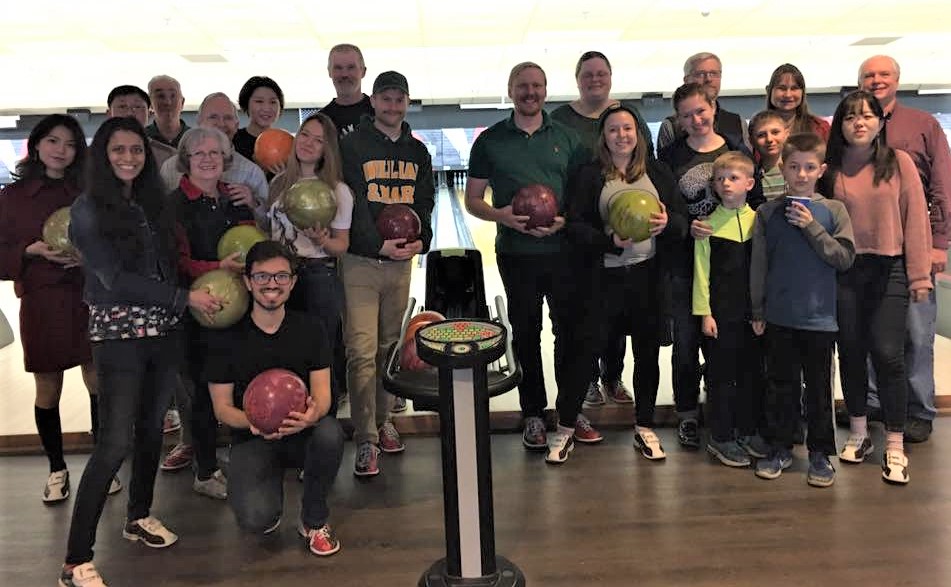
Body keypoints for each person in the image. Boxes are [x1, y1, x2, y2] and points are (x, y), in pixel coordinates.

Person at [60, 116, 221, 587]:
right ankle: (74, 560)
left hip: (163, 329)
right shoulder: (88, 208)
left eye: (136, 151)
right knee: (114, 443)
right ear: (103, 156)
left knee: (152, 429)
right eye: (118, 150)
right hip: (118, 334)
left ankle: (138, 516)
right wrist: (182, 298)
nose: (129, 158)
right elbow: (113, 279)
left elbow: (166, 264)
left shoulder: (151, 204)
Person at [465, 62, 594, 465]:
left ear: (545, 90)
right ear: (510, 90)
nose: (530, 92)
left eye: (537, 85)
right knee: (525, 334)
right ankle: (534, 414)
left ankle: (570, 412)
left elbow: (582, 197)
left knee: (568, 334)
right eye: (522, 86)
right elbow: (472, 200)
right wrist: (501, 216)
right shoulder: (490, 141)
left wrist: (565, 220)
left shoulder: (569, 139)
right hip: (516, 254)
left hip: (563, 253)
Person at [0, 114, 119, 502]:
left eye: (69, 144)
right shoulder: (12, 198)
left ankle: (102, 466)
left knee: (97, 382)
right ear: (36, 145)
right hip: (41, 299)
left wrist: (89, 260)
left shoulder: (88, 192)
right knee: (47, 388)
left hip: (86, 296)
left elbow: (113, 244)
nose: (61, 150)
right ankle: (56, 467)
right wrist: (28, 251)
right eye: (53, 141)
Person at [564, 103, 688, 460]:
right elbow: (574, 226)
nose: (622, 135)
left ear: (639, 134)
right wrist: (608, 243)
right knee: (585, 351)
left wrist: (668, 226)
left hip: (647, 277)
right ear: (603, 136)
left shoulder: (658, 173)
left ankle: (644, 426)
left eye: (628, 128)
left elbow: (679, 221)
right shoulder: (590, 175)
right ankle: (566, 427)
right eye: (614, 129)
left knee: (646, 354)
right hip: (603, 278)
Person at [207, 240, 344, 556]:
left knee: (329, 432)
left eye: (281, 276)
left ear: (293, 282)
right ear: (247, 281)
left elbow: (322, 395)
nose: (272, 284)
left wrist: (311, 416)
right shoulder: (226, 337)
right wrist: (253, 424)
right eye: (262, 276)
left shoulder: (311, 328)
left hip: (302, 432)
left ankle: (313, 518)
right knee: (258, 520)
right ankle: (266, 492)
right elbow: (222, 408)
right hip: (252, 437)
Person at [822, 90, 932, 485]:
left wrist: (920, 277)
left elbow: (916, 220)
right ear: (841, 124)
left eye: (867, 115)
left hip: (890, 269)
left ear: (880, 121)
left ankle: (896, 444)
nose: (859, 123)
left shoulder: (898, 163)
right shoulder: (829, 170)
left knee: (888, 354)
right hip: (846, 270)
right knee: (850, 352)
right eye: (850, 117)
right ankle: (859, 432)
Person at [339, 71, 435, 476]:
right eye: (386, 99)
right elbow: (351, 202)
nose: (393, 106)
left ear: (407, 103)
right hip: (361, 262)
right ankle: (366, 438)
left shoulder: (419, 151)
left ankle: (384, 421)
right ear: (373, 101)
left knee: (388, 347)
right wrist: (373, 244)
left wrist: (422, 239)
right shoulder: (351, 145)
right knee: (361, 351)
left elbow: (426, 202)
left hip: (400, 264)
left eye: (400, 99)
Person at [550, 50, 654, 408]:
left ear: (610, 76)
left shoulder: (627, 113)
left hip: (622, 222)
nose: (595, 79)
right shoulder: (561, 118)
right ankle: (589, 381)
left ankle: (613, 376)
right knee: (589, 314)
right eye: (588, 74)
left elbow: (645, 165)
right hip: (580, 227)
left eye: (601, 73)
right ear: (577, 78)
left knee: (619, 316)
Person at [750, 133, 855, 486]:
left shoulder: (834, 210)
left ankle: (821, 453)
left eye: (810, 168)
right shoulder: (767, 213)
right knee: (781, 385)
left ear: (821, 170)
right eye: (794, 167)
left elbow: (843, 258)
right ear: (782, 168)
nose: (801, 174)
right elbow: (759, 265)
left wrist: (811, 226)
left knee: (819, 389)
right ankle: (780, 448)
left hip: (820, 320)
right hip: (779, 316)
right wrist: (758, 309)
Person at [658, 83, 756, 450]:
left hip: (729, 267)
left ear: (713, 107)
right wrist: (686, 225)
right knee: (685, 343)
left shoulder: (736, 150)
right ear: (678, 120)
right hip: (683, 264)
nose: (695, 119)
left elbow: (752, 202)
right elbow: (667, 206)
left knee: (725, 347)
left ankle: (725, 415)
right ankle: (686, 415)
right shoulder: (670, 156)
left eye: (701, 111)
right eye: (687, 115)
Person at [858, 55, 951, 443]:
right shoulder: (854, 126)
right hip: (868, 250)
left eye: (883, 74)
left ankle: (918, 408)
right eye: (868, 75)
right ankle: (877, 403)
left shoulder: (922, 124)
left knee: (915, 332)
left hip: (914, 243)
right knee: (869, 332)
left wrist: (940, 243)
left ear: (897, 79)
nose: (876, 80)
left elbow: (942, 186)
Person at [171, 126, 259, 499]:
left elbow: (253, 244)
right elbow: (176, 260)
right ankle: (205, 471)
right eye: (199, 153)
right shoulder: (174, 205)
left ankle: (244, 463)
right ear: (186, 160)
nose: (208, 159)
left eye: (215, 153)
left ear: (225, 159)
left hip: (239, 311)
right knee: (205, 395)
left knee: (240, 388)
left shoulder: (235, 199)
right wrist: (216, 268)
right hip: (199, 313)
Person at [267, 112, 353, 406]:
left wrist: (321, 240)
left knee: (319, 354)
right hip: (279, 278)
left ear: (327, 149)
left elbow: (341, 246)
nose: (309, 143)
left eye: (319, 140)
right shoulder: (279, 183)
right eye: (305, 134)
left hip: (318, 276)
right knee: (283, 351)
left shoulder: (338, 191)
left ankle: (323, 425)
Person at [691, 151, 761, 468]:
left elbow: (766, 272)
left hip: (754, 316)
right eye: (720, 179)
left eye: (733, 178)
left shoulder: (760, 223)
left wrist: (762, 311)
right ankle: (720, 437)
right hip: (719, 316)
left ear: (749, 182)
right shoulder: (706, 227)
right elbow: (701, 273)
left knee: (750, 373)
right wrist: (705, 313)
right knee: (721, 376)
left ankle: (747, 430)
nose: (726, 183)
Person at [160, 92, 269, 225]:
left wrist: (254, 204)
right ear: (199, 122)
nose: (221, 123)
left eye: (228, 118)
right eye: (213, 117)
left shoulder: (252, 173)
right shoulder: (170, 168)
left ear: (237, 124)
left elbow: (269, 225)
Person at [656, 52, 750, 152]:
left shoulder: (737, 122)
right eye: (700, 74)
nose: (708, 79)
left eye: (714, 73)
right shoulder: (671, 126)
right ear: (686, 80)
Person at [106, 85, 177, 167]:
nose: (130, 113)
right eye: (122, 107)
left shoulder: (169, 156)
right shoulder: (93, 153)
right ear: (109, 114)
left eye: (137, 107)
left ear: (149, 114)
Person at [765, 63, 831, 141]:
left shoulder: (821, 128)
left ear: (802, 92)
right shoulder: (758, 129)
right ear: (769, 90)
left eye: (794, 88)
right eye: (782, 88)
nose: (788, 95)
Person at [321, 44, 374, 139]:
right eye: (338, 68)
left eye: (351, 67)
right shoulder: (321, 121)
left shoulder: (380, 113)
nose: (344, 74)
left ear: (363, 71)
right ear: (329, 72)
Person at [233, 76, 285, 169]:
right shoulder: (232, 140)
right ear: (246, 104)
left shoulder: (287, 142)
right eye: (259, 101)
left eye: (273, 102)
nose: (266, 108)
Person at [748, 110, 790, 202]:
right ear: (751, 141)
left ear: (787, 134)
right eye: (761, 135)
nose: (769, 139)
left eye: (775, 132)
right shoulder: (750, 178)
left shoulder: (799, 172)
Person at [146, 75, 189, 148]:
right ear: (150, 103)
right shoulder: (142, 138)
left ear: (182, 102)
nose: (167, 102)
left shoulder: (194, 138)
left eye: (173, 96)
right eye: (160, 96)